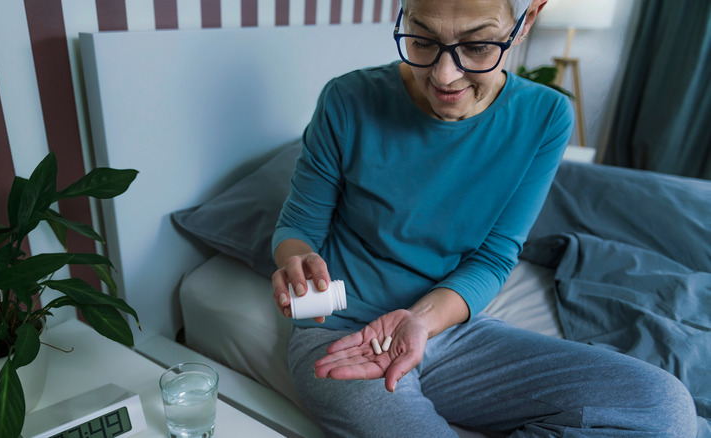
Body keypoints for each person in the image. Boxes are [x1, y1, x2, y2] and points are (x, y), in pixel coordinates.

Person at [270, 0, 697, 436]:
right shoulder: (347, 100)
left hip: (445, 328)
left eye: (476, 47)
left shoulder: (545, 116)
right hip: (343, 339)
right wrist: (296, 259)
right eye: (421, 40)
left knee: (665, 407)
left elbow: (493, 257)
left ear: (526, 21)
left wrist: (420, 321)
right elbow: (299, 227)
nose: (443, 76)